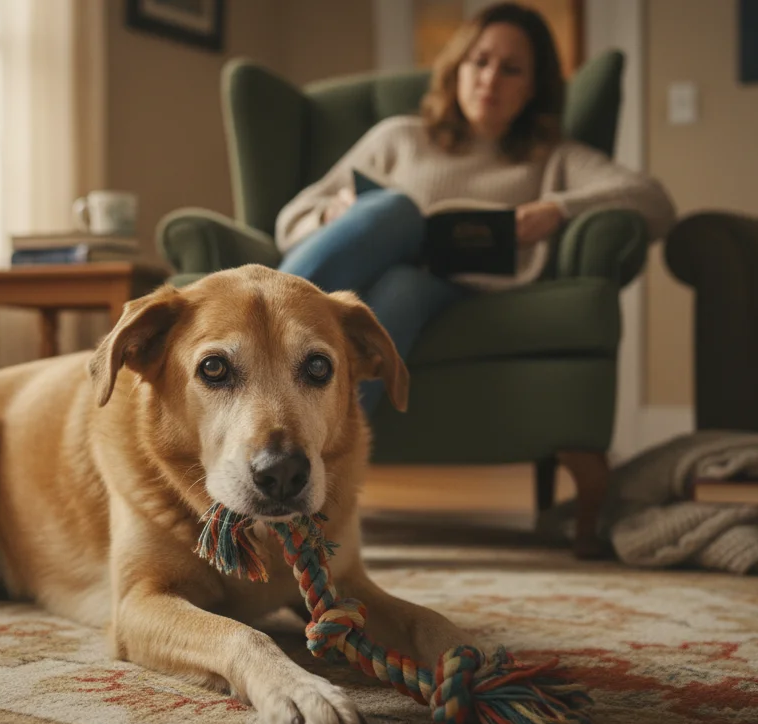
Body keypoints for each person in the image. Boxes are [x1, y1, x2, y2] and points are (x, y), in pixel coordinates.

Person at [275, 1, 676, 414]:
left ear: (533, 86)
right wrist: (331, 215)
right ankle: (263, 320)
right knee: (394, 209)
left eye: (511, 69)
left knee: (404, 286)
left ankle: (321, 446)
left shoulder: (553, 156)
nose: (490, 80)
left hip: (453, 285)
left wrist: (558, 208)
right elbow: (290, 219)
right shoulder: (399, 138)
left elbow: (654, 201)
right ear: (457, 68)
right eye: (479, 62)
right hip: (361, 263)